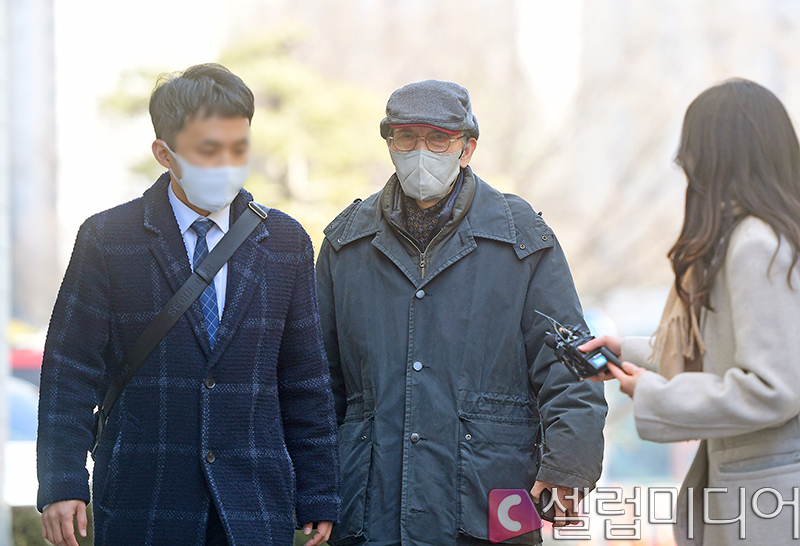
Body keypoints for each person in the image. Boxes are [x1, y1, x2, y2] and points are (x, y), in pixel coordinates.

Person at [36, 64, 340, 546]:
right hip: (144, 497)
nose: (227, 163)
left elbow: (304, 378)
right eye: (208, 150)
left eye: (239, 148)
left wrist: (319, 491)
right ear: (165, 153)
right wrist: (62, 481)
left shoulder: (286, 241)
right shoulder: (108, 239)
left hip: (254, 503)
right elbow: (69, 369)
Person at [316, 79, 607, 545]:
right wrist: (313, 490)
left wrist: (569, 467)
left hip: (495, 502)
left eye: (438, 139)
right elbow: (316, 383)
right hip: (370, 506)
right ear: (389, 144)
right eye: (406, 137)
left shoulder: (522, 238)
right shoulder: (345, 243)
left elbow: (576, 362)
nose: (420, 152)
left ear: (467, 149)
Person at [582, 79, 800, 546]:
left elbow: (774, 388)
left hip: (771, 499)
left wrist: (653, 393)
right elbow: (722, 350)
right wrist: (629, 353)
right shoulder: (766, 235)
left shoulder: (755, 244)